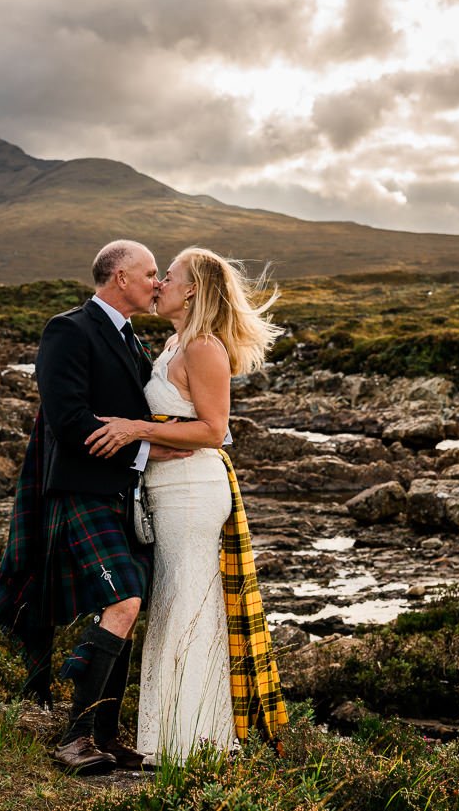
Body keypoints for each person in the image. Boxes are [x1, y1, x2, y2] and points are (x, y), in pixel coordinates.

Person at [0, 240, 191, 775]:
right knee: (123, 600)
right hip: (79, 491)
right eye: (149, 273)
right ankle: (74, 738)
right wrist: (148, 447)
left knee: (127, 606)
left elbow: (124, 417)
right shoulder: (69, 329)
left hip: (120, 492)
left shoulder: (130, 339)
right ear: (120, 277)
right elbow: (68, 419)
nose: (157, 283)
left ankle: (104, 735)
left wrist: (143, 442)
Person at [86, 246, 289, 766]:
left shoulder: (203, 347)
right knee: (178, 603)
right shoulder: (176, 342)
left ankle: (194, 741)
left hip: (193, 492)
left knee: (187, 605)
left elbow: (214, 430)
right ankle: (174, 736)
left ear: (193, 288)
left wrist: (137, 429)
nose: (158, 285)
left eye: (167, 276)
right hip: (166, 487)